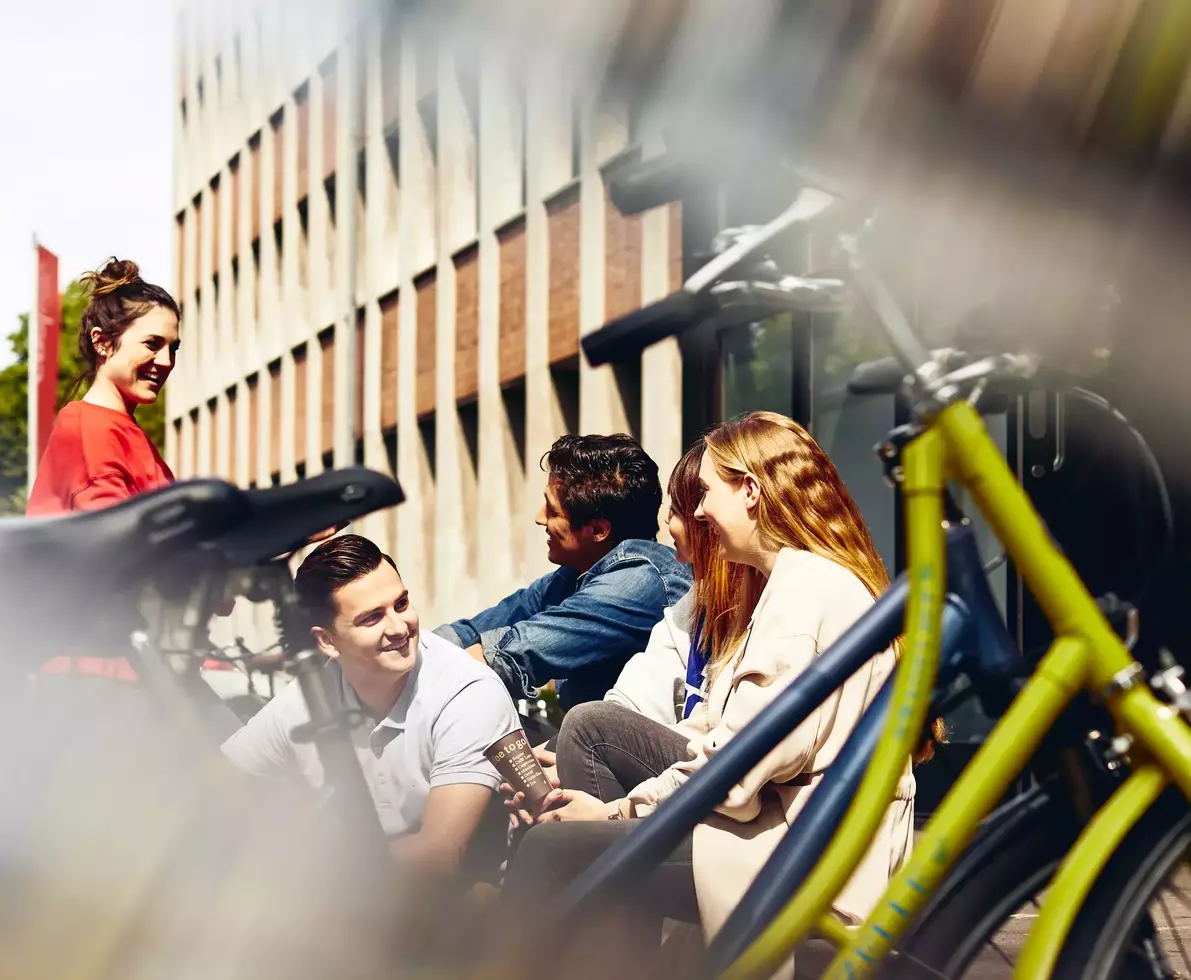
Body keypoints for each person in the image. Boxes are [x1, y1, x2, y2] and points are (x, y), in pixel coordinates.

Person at [501, 412, 920, 971]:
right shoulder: (789, 585)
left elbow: (737, 773)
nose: (695, 514)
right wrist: (613, 813)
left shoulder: (803, 594)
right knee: (591, 727)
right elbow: (716, 734)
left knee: (552, 852)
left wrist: (612, 817)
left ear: (750, 492)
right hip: (781, 826)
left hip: (792, 850)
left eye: (703, 495)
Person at [222, 534, 520, 879]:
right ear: (326, 640)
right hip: (353, 901)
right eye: (372, 618)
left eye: (402, 604)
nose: (398, 628)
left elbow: (438, 857)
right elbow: (218, 789)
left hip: (471, 909)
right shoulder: (308, 698)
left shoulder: (468, 694)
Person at [435, 433, 692, 711]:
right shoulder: (573, 576)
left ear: (597, 530)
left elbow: (510, 655)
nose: (539, 517)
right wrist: (409, 649)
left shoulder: (641, 582)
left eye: (552, 510)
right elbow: (472, 632)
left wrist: (415, 670)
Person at [604, 440, 746, 726]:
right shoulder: (698, 601)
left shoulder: (649, 578)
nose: (667, 521)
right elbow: (634, 698)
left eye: (676, 510)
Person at [28, 258, 178, 517]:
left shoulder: (122, 430)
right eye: (152, 344)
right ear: (102, 343)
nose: (166, 361)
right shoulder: (90, 430)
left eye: (173, 348)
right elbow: (116, 539)